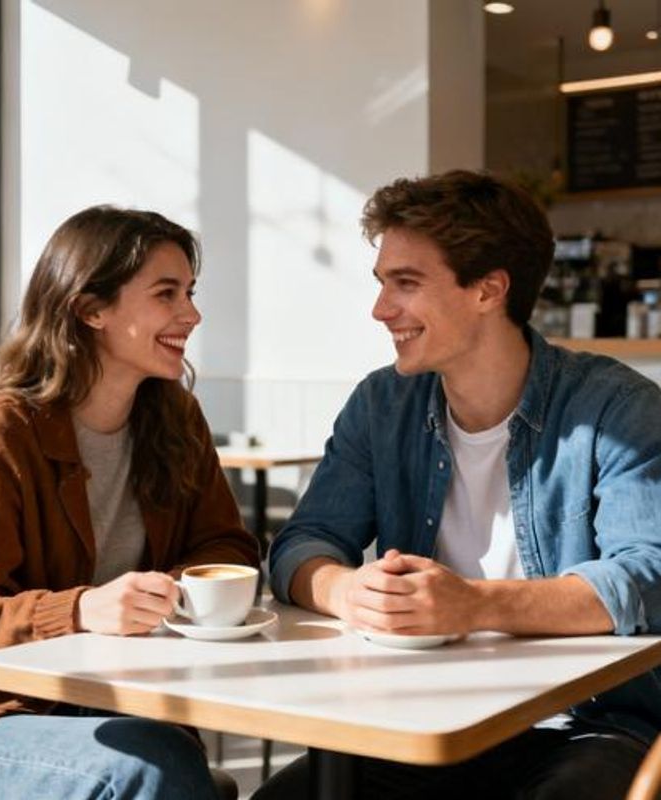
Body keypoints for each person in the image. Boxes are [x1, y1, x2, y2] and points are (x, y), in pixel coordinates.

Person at [257, 170, 661, 800]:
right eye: (382, 283)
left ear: (488, 289)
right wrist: (347, 590)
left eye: (407, 283)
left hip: (584, 724)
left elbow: (646, 577)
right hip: (421, 714)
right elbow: (304, 542)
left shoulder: (616, 408)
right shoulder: (381, 404)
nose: (380, 309)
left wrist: (473, 604)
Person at [0, 206, 259, 800]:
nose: (192, 314)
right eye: (167, 293)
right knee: (151, 770)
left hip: (125, 708)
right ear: (90, 309)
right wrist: (82, 610)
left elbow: (223, 546)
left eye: (190, 292)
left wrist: (178, 589)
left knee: (164, 760)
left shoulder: (176, 419)